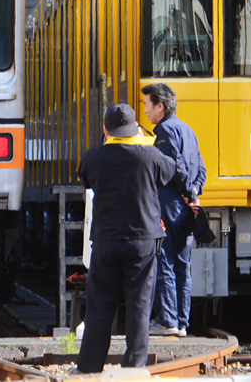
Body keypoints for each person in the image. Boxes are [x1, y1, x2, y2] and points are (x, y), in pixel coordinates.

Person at [76, 104, 175, 374]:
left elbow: (85, 179)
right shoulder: (151, 156)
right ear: (135, 129)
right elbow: (170, 171)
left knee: (99, 308)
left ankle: (88, 368)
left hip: (106, 241)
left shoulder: (92, 158)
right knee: (140, 307)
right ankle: (133, 369)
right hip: (143, 241)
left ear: (106, 130)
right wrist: (144, 140)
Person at [142, 83, 206, 338]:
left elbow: (174, 166)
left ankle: (167, 319)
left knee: (164, 261)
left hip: (168, 205)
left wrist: (187, 192)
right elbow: (201, 169)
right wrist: (195, 195)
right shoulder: (188, 130)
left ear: (161, 106)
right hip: (188, 210)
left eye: (147, 104)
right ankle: (181, 322)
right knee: (183, 264)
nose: (145, 110)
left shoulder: (164, 131)